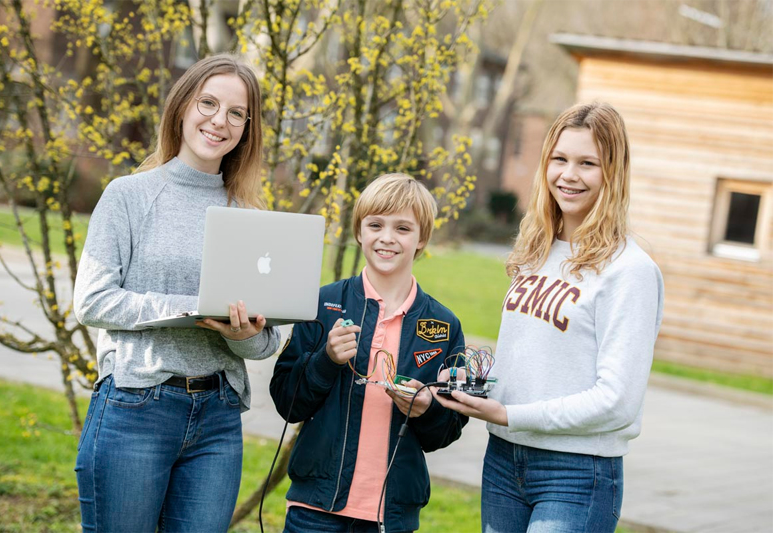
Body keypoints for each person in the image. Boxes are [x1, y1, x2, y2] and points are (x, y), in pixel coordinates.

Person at [73, 54, 281, 532]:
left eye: (236, 113)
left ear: (247, 128)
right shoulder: (128, 196)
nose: (219, 121)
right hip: (135, 407)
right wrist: (188, 309)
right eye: (208, 103)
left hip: (218, 418)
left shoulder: (252, 219)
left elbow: (266, 342)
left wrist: (239, 332)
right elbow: (92, 300)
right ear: (183, 106)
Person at [434, 102, 664, 533]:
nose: (569, 175)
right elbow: (527, 359)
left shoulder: (629, 271)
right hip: (504, 459)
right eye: (559, 159)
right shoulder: (535, 252)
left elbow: (617, 401)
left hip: (576, 473)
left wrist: (509, 415)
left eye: (587, 163)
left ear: (612, 173)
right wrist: (455, 383)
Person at [270, 173, 468, 533]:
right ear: (359, 231)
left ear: (422, 238)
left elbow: (447, 431)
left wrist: (427, 411)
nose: (387, 238)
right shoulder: (321, 303)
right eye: (375, 224)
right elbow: (288, 402)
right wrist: (325, 361)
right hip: (315, 509)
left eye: (403, 228)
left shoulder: (443, 325)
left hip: (390, 518)